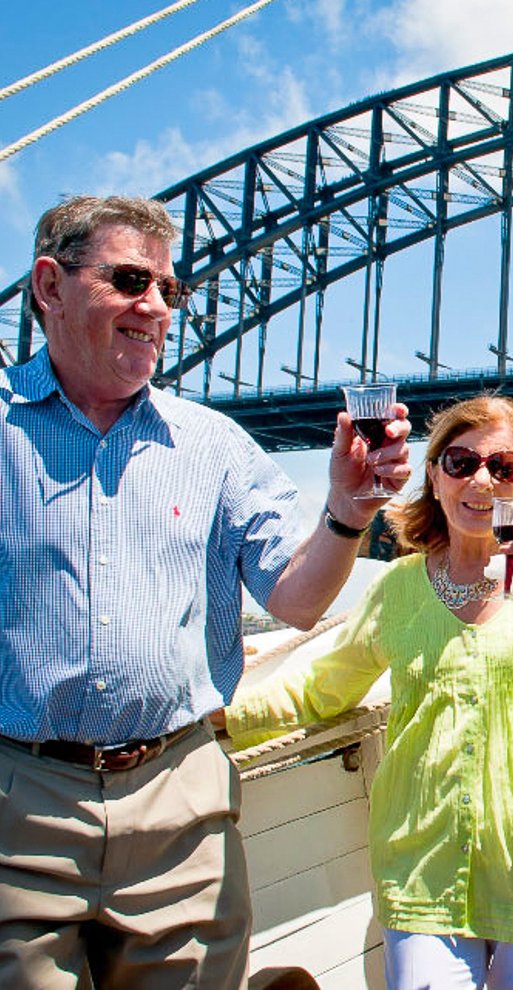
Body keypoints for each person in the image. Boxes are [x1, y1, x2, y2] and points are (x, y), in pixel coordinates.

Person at [0, 195, 412, 988]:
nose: (155, 308)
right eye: (128, 280)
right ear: (50, 287)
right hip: (20, 802)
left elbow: (294, 601)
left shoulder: (213, 444)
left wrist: (347, 511)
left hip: (180, 799)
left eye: (170, 290)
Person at [226, 395, 513, 990]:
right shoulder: (397, 589)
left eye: (503, 466)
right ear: (433, 474)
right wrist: (215, 718)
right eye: (460, 462)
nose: (480, 479)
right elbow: (321, 692)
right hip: (424, 865)